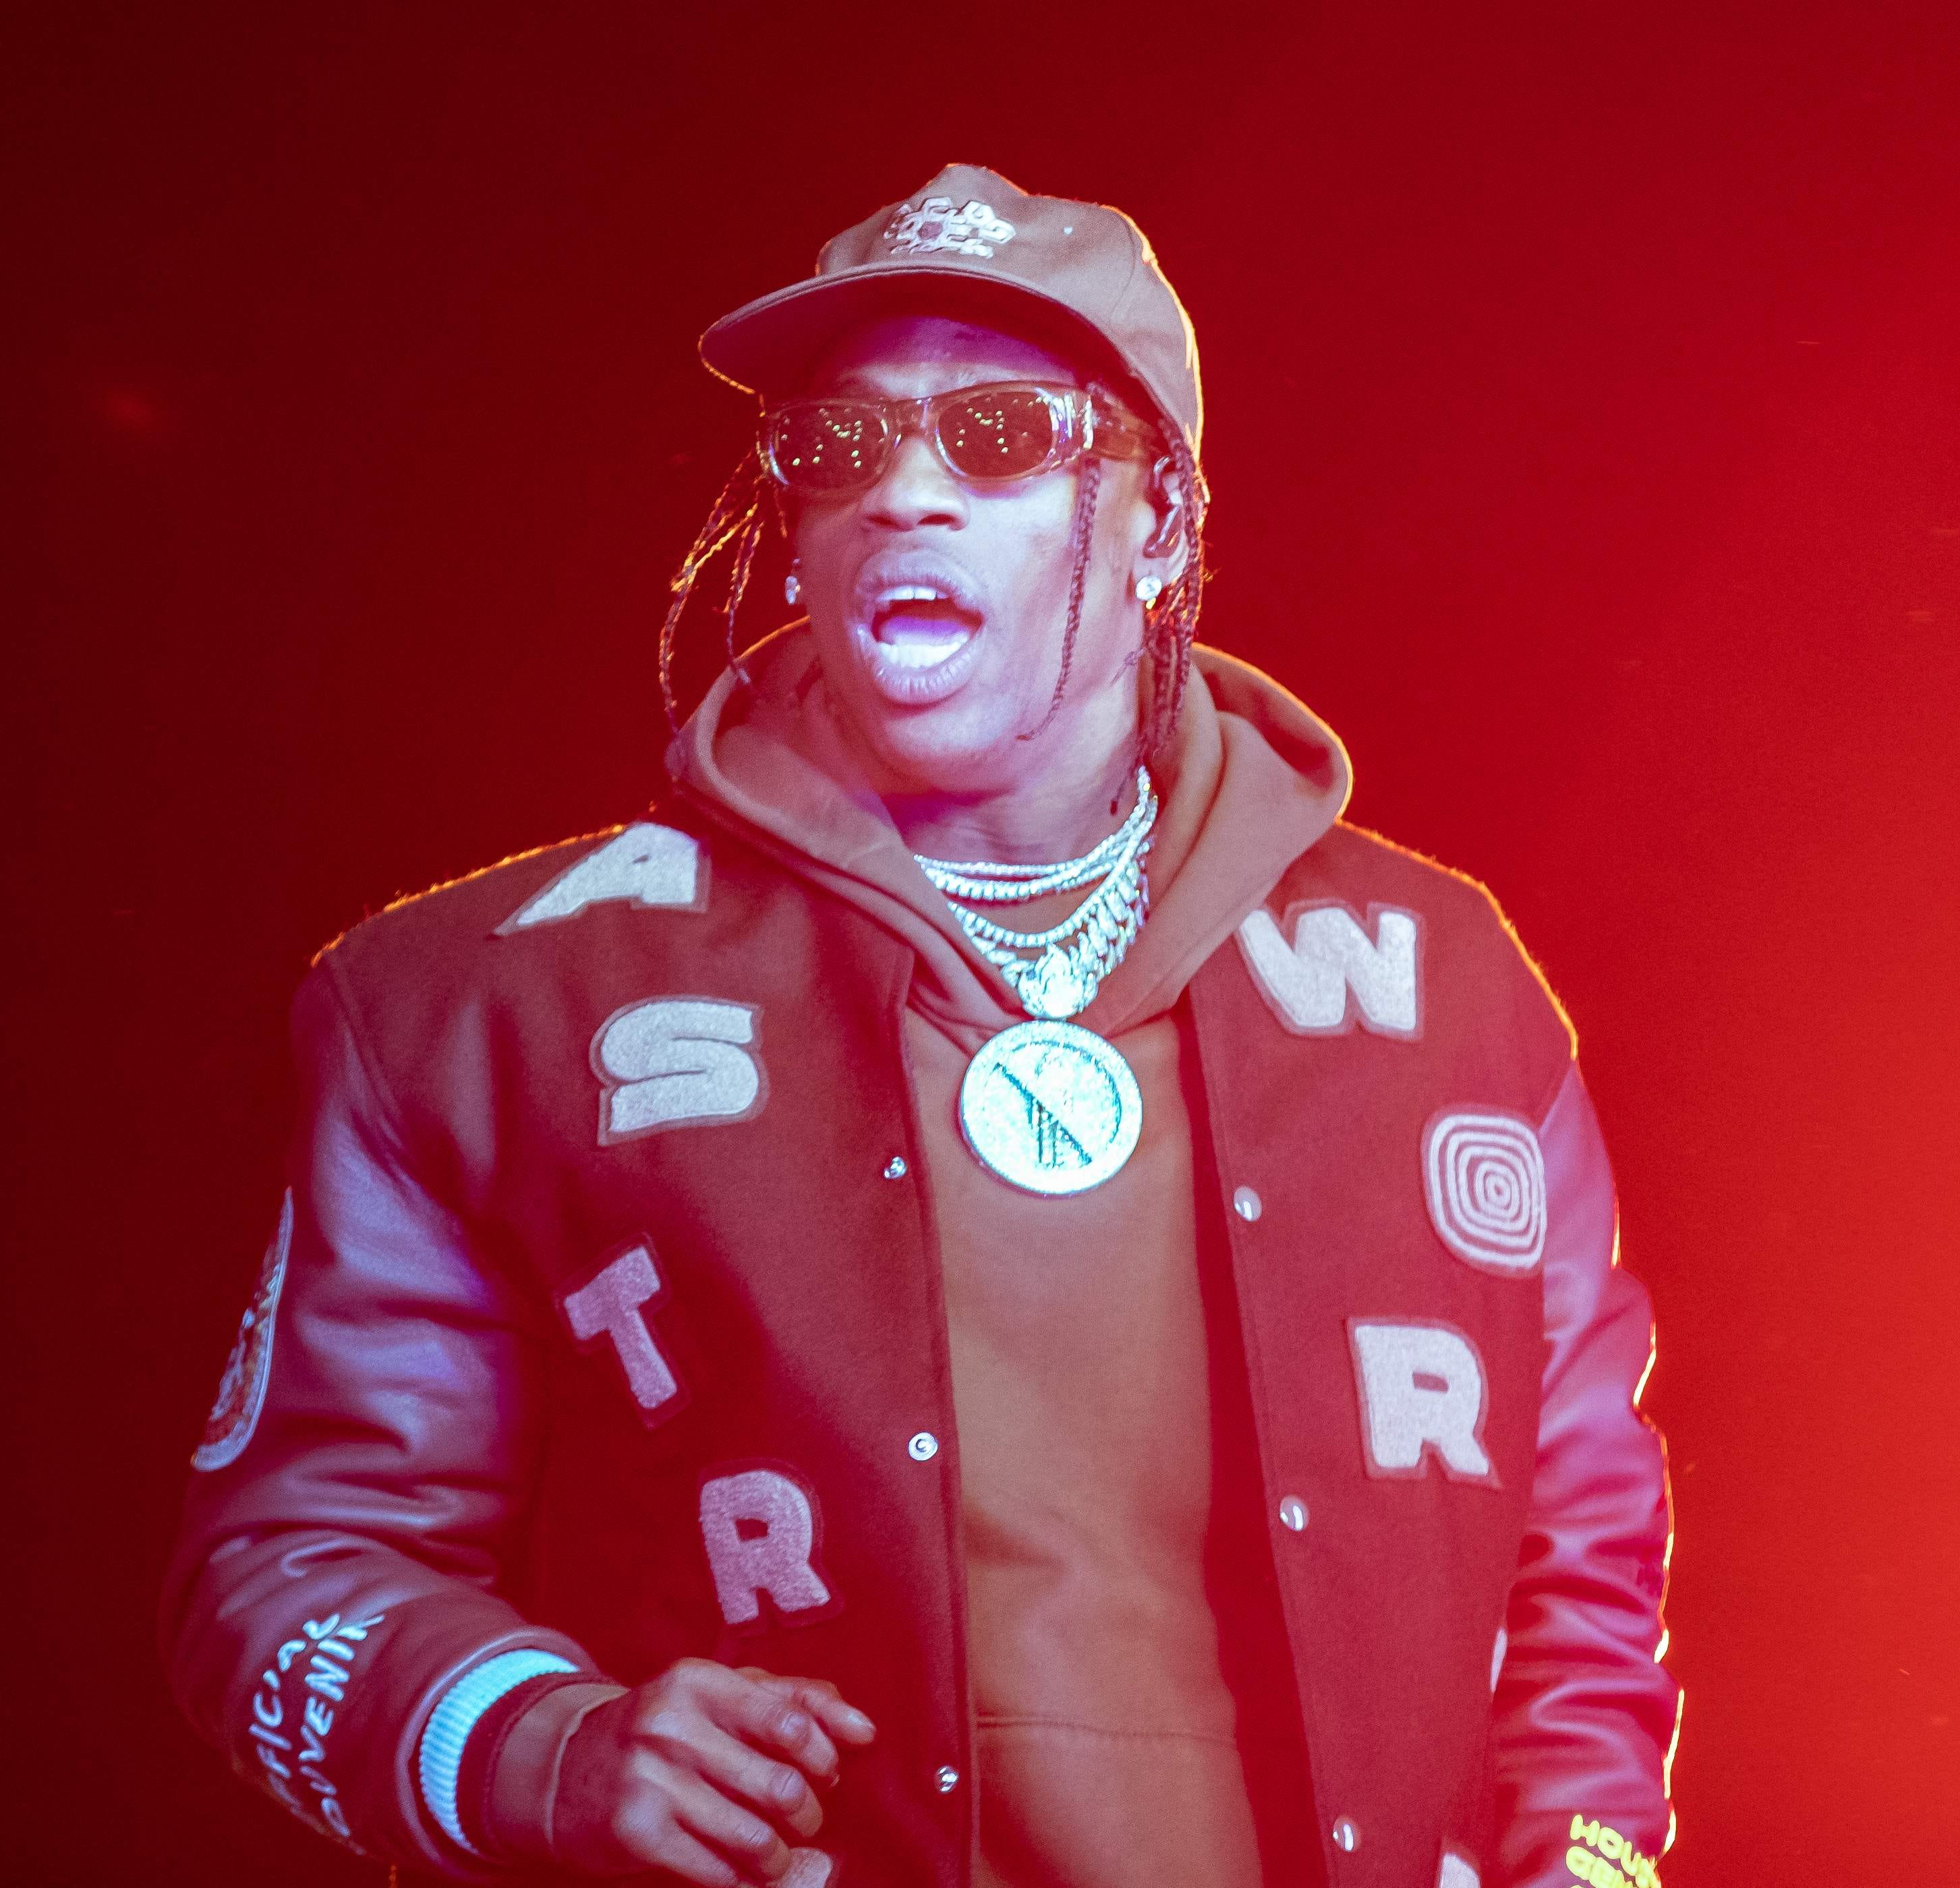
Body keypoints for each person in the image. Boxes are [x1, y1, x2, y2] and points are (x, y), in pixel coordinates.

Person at [161, 163, 1677, 1888]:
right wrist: (540, 1743)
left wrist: (1590, 1871)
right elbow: (284, 1562)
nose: (901, 494)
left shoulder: (1441, 991)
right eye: (836, 445)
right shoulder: (483, 1002)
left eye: (1000, 435)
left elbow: (1584, 1556)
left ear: (1162, 519)